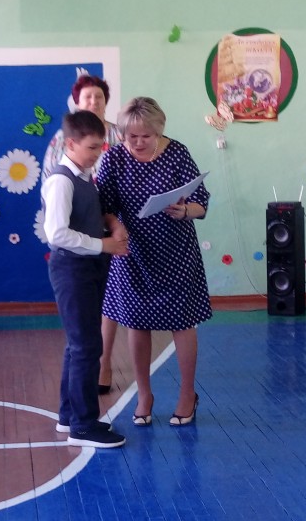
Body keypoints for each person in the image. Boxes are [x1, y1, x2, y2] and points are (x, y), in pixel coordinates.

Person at [97, 97, 212, 427]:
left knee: (183, 323)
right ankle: (144, 394)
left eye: (145, 136)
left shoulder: (177, 153)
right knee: (136, 322)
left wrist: (185, 210)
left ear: (159, 130)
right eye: (130, 136)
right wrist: (115, 226)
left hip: (176, 252)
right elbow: (104, 205)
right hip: (132, 252)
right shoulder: (114, 158)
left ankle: (187, 394)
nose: (137, 142)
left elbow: (202, 202)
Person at [43, 110, 130, 448]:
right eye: (92, 147)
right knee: (86, 347)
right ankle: (83, 425)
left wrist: (110, 228)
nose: (97, 153)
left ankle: (69, 416)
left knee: (79, 345)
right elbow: (57, 234)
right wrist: (103, 245)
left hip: (87, 268)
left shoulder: (83, 177)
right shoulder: (61, 180)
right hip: (72, 269)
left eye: (100, 147)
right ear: (70, 144)